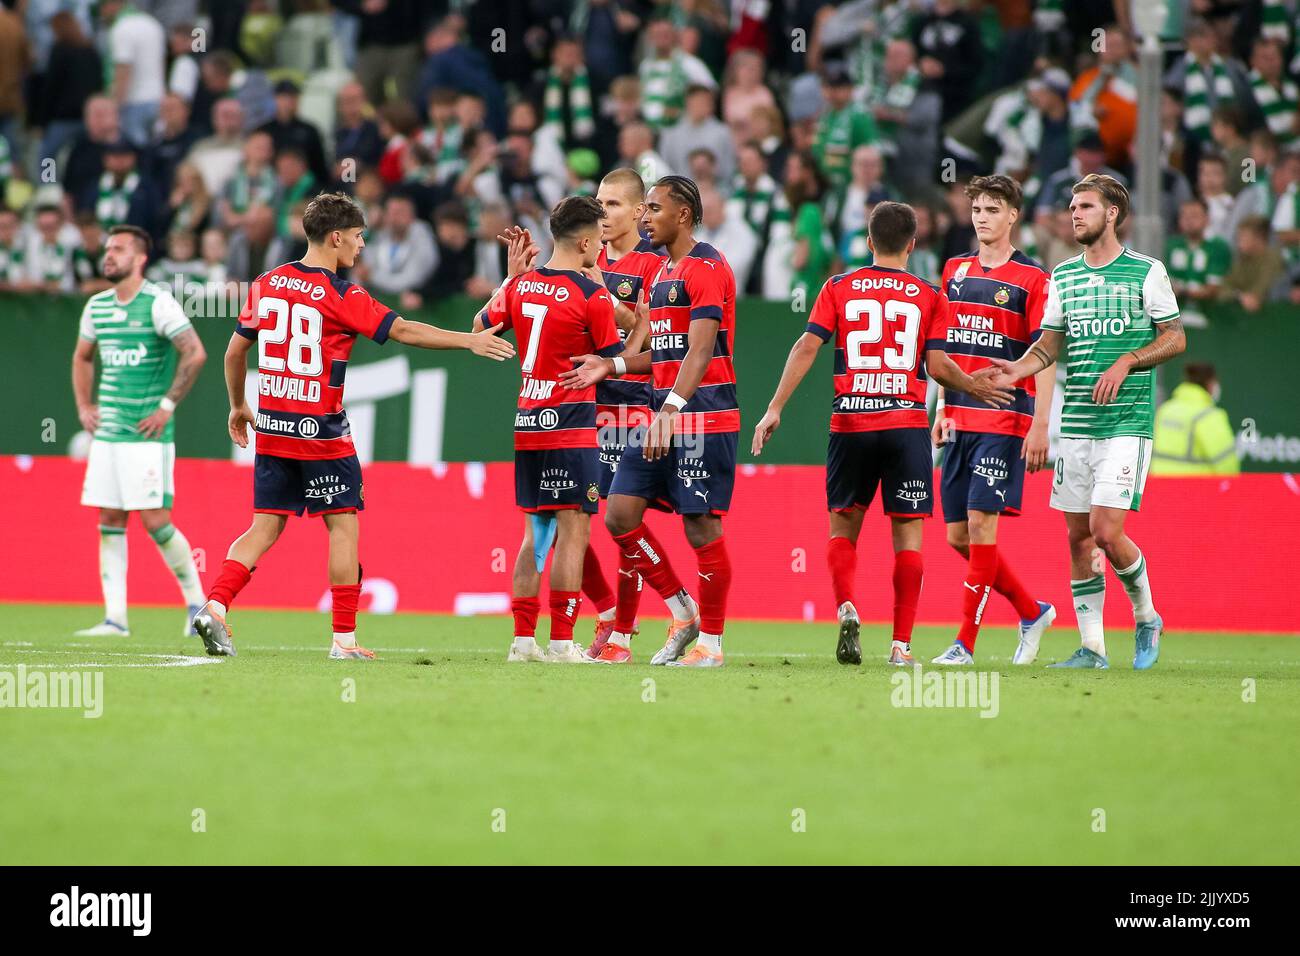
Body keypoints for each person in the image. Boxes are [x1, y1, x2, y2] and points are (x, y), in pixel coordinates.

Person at [191, 193, 515, 659]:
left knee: (264, 525)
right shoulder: (342, 295)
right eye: (360, 237)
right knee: (342, 526)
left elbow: (233, 352)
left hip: (274, 426)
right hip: (320, 430)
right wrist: (469, 341)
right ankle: (344, 640)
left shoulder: (267, 283)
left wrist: (238, 405)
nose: (362, 246)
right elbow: (403, 330)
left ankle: (216, 606)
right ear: (337, 236)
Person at [752, 201, 1015, 665]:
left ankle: (847, 606)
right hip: (906, 424)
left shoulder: (838, 287)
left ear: (869, 242)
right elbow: (937, 366)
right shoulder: (931, 295)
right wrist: (971, 383)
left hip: (851, 422)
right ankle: (900, 646)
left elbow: (806, 345)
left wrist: (774, 408)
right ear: (913, 245)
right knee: (908, 539)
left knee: (842, 531)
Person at [988, 174, 1186, 671]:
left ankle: (1146, 615)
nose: (1075, 214)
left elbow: (1176, 338)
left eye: (1086, 206)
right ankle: (1092, 648)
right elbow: (1049, 347)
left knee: (1104, 529)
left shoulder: (1147, 272)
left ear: (1113, 213)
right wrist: (1019, 368)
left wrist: (1127, 361)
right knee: (1077, 538)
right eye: (1073, 206)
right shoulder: (1065, 276)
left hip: (1125, 424)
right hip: (1075, 426)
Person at [562, 176, 737, 668]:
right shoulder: (661, 275)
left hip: (703, 414)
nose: (644, 218)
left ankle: (713, 645)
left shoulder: (707, 267)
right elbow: (664, 352)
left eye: (653, 209)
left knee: (701, 527)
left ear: (682, 215)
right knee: (620, 514)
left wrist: (669, 412)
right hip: (664, 411)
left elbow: (701, 349)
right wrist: (611, 365)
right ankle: (683, 612)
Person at [475, 196, 624, 663]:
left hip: (527, 423)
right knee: (574, 532)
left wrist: (509, 278)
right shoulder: (591, 294)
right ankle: (561, 641)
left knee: (533, 533)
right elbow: (615, 357)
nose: (602, 247)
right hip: (573, 424)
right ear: (584, 241)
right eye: (599, 239)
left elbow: (479, 327)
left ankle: (522, 641)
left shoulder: (521, 286)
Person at [930, 175, 1058, 666]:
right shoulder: (954, 270)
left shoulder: (1032, 279)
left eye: (992, 209)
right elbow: (945, 350)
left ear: (1013, 217)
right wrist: (941, 409)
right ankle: (1032, 610)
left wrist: (1040, 424)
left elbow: (1044, 354)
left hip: (1005, 419)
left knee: (983, 526)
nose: (982, 217)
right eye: (977, 209)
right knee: (957, 536)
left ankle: (965, 643)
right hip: (960, 419)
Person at [71, 225, 207, 638]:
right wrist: (84, 405)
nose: (108, 255)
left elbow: (195, 352)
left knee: (155, 520)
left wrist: (167, 406)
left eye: (119, 249)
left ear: (141, 258)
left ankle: (197, 606)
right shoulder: (96, 306)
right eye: (108, 248)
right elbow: (82, 357)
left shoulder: (157, 303)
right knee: (110, 517)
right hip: (108, 435)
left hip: (146, 436)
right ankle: (116, 619)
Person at [583, 168, 665, 662]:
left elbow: (647, 331)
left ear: (638, 211)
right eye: (598, 203)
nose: (602, 213)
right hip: (580, 404)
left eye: (613, 205)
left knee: (622, 520)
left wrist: (598, 288)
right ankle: (608, 609)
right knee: (561, 513)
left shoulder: (655, 265)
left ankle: (622, 635)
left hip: (629, 403)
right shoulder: (584, 255)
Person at [1152, 363, 1240, 476]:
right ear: (1210, 384)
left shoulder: (1164, 410)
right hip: (1195, 489)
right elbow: (1227, 465)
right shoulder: (1209, 416)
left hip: (1160, 487)